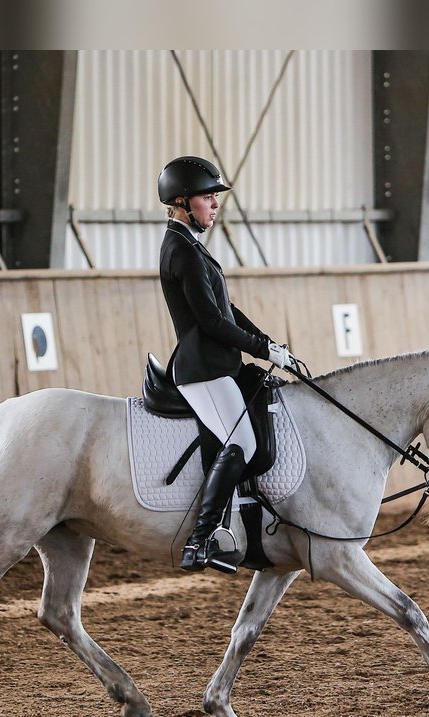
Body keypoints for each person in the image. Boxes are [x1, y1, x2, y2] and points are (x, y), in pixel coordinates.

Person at [157, 155, 294, 573]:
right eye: (207, 197)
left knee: (241, 440)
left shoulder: (193, 247)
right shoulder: (181, 250)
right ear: (182, 202)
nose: (215, 205)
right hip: (203, 370)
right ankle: (200, 542)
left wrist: (267, 342)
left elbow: (226, 308)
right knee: (245, 444)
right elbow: (213, 322)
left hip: (219, 365)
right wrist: (261, 350)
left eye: (216, 198)